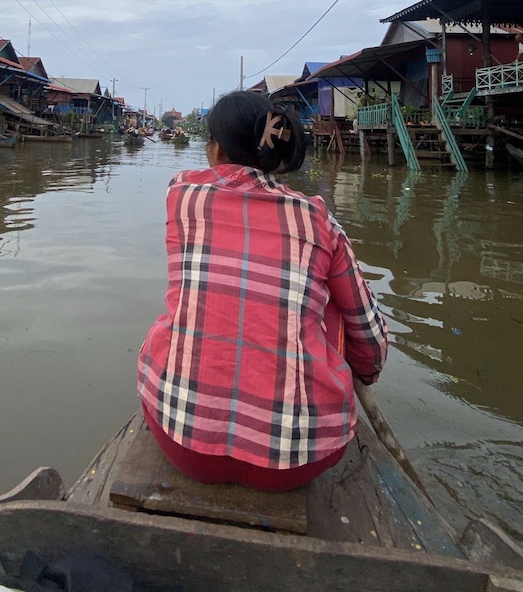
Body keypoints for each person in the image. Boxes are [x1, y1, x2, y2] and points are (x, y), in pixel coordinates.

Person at [138, 91, 388, 492]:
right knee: (335, 305)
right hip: (297, 460)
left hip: (183, 443)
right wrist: (364, 372)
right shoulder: (318, 219)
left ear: (216, 150)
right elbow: (370, 337)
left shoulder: (180, 196)